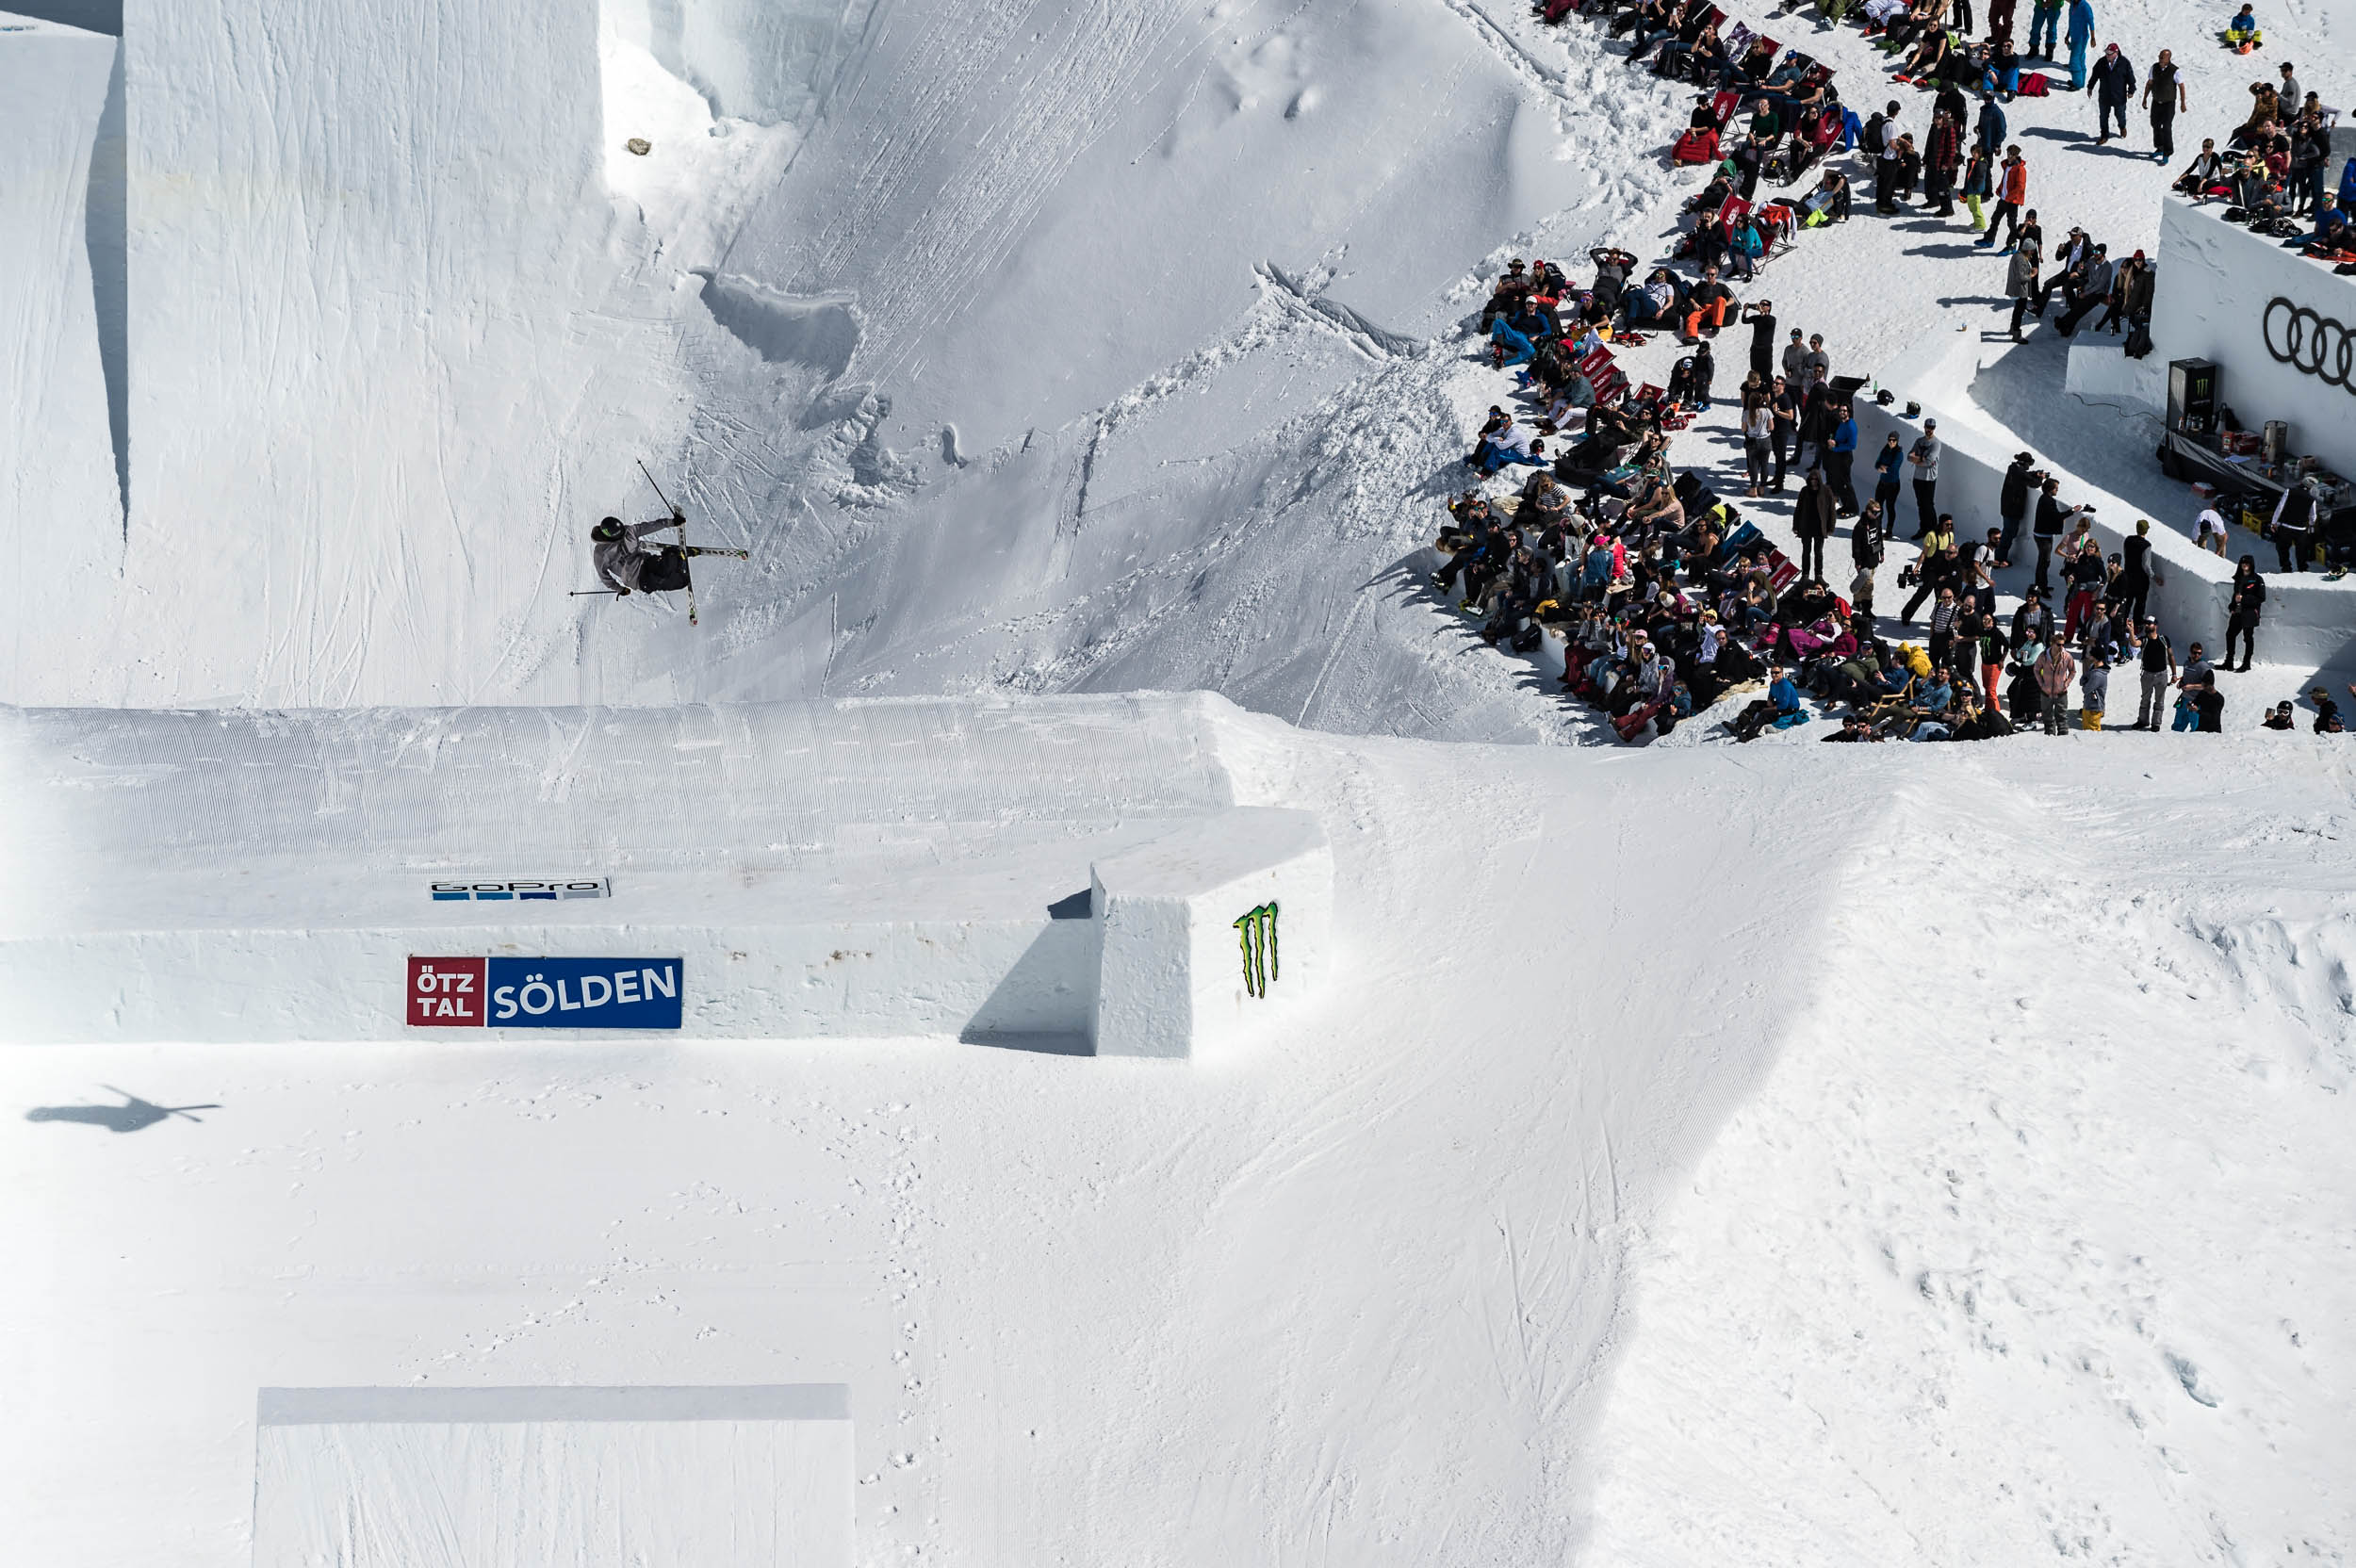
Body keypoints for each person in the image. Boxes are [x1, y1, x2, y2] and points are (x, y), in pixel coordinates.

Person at [593, 512, 703, 595]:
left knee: (666, 567)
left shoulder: (629, 531)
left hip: (644, 561)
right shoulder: (600, 553)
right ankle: (678, 559)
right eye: (619, 536)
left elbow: (650, 526)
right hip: (635, 578)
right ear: (610, 537)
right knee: (679, 582)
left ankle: (675, 555)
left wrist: (672, 522)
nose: (623, 536)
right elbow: (603, 576)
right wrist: (619, 589)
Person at [2131, 616, 2175, 728]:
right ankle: (2143, 721)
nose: (2146, 625)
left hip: (2162, 675)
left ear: (2155, 625)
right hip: (2147, 674)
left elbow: (2171, 656)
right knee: (2145, 699)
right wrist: (2131, 631)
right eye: (2145, 623)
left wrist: (2174, 674)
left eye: (2149, 623)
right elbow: (2134, 643)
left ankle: (2156, 723)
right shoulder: (2144, 640)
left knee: (2159, 700)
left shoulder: (2164, 639)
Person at [2087, 44, 2136, 144]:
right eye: (2106, 53)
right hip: (2104, 95)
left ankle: (2122, 127)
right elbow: (2094, 75)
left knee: (2120, 115)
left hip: (2119, 96)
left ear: (2116, 53)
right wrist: (2090, 87)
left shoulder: (2124, 63)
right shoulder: (2101, 62)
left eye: (2109, 53)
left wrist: (2131, 90)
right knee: (2103, 117)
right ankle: (2104, 135)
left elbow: (2130, 78)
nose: (2107, 55)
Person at [2144, 48, 2186, 162]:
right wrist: (2145, 98)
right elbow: (2149, 83)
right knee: (2155, 124)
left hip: (2169, 103)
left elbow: (2181, 87)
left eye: (2162, 57)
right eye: (2159, 57)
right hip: (2156, 102)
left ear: (2168, 58)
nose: (2160, 59)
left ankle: (2167, 152)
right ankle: (2160, 148)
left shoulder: (2175, 70)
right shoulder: (2154, 68)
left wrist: (2182, 103)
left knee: (2166, 126)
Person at [2270, 477, 2320, 572]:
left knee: (2282, 548)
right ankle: (2302, 569)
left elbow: (2280, 507)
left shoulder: (2289, 491)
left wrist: (2273, 522)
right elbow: (2313, 516)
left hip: (2286, 527)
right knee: (2301, 550)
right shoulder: (2312, 499)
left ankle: (2286, 567)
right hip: (2301, 529)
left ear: (2301, 482)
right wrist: (2310, 524)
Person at [2225, 555, 2264, 671]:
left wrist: (2244, 599)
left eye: (2247, 563)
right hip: (2237, 612)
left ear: (2251, 565)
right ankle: (2229, 662)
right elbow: (2236, 594)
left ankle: (2246, 663)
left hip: (2250, 613)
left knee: (2248, 638)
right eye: (2243, 563)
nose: (2245, 565)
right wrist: (2232, 605)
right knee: (2230, 634)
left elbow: (2261, 597)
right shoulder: (2239, 578)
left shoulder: (2257, 579)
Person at [1794, 467, 1834, 580]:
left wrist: (1831, 527)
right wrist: (1796, 526)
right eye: (1812, 479)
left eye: (1816, 479)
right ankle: (1805, 574)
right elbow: (1798, 509)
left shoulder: (1826, 491)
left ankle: (1818, 575)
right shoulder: (1805, 491)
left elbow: (1832, 510)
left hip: (1819, 527)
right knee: (1806, 552)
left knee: (1818, 552)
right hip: (1806, 526)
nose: (1813, 481)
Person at [1998, 452, 2037, 564]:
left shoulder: (2013, 468)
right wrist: (2041, 478)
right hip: (2013, 510)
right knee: (2008, 535)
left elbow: (2025, 475)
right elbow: (2034, 483)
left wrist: (2035, 473)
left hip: (2007, 508)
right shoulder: (2020, 473)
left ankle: (1999, 557)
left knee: (2007, 533)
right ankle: (1999, 560)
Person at [1906, 421, 1942, 539]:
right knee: (1921, 505)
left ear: (1934, 428)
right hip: (1918, 478)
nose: (1929, 429)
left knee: (1929, 505)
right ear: (1924, 427)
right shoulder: (1919, 441)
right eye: (1928, 427)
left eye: (1932, 427)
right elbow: (1909, 456)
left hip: (1929, 479)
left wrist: (1917, 459)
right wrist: (1922, 459)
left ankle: (1934, 531)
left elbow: (1929, 460)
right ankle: (1924, 529)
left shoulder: (1936, 443)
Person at [2035, 637, 2077, 733]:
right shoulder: (2043, 656)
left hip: (2061, 693)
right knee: (2047, 718)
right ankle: (2049, 736)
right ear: (2052, 643)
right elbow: (2036, 670)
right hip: (2046, 693)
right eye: (2058, 644)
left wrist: (2066, 683)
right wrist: (2041, 684)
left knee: (2062, 718)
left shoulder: (2067, 656)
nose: (2061, 647)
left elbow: (2073, 671)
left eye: (2063, 644)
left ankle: (2063, 737)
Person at [2117, 517, 2153, 622]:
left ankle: (2122, 623)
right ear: (2146, 530)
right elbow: (2146, 565)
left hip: (2128, 576)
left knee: (2127, 602)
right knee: (2140, 604)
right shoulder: (2146, 545)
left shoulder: (2128, 540)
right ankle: (2136, 624)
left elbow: (2125, 555)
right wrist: (2154, 576)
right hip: (2141, 580)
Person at [2063, 0, 2096, 92]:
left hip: (2081, 38)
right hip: (2074, 36)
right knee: (2080, 59)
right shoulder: (2072, 4)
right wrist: (2068, 35)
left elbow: (2091, 22)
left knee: (2074, 60)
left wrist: (2093, 38)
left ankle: (2077, 84)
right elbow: (2071, 22)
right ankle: (2080, 82)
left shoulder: (2085, 6)